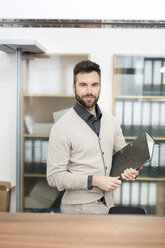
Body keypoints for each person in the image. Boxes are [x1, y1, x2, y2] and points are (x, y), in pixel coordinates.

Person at [47, 60, 139, 215]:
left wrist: (131, 170)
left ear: (100, 87)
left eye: (94, 85)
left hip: (108, 204)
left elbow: (124, 157)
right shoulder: (61, 128)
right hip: (77, 210)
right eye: (83, 85)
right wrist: (94, 180)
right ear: (74, 87)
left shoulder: (111, 121)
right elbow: (54, 177)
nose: (89, 91)